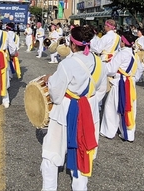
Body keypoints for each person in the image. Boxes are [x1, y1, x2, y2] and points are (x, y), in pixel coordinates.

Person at [40, 24, 106, 191]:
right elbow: (101, 90)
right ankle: (80, 187)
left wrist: (51, 80)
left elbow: (55, 94)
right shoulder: (99, 62)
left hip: (66, 109)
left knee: (51, 151)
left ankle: (49, 188)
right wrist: (87, 102)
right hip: (89, 110)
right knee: (83, 149)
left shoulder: (67, 64)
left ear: (73, 44)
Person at [101, 29, 142, 142]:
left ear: (123, 42)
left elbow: (111, 70)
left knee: (112, 107)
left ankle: (108, 132)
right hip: (131, 83)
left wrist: (104, 65)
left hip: (120, 83)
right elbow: (140, 70)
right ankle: (128, 133)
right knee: (130, 107)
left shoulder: (121, 54)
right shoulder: (135, 54)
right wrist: (133, 79)